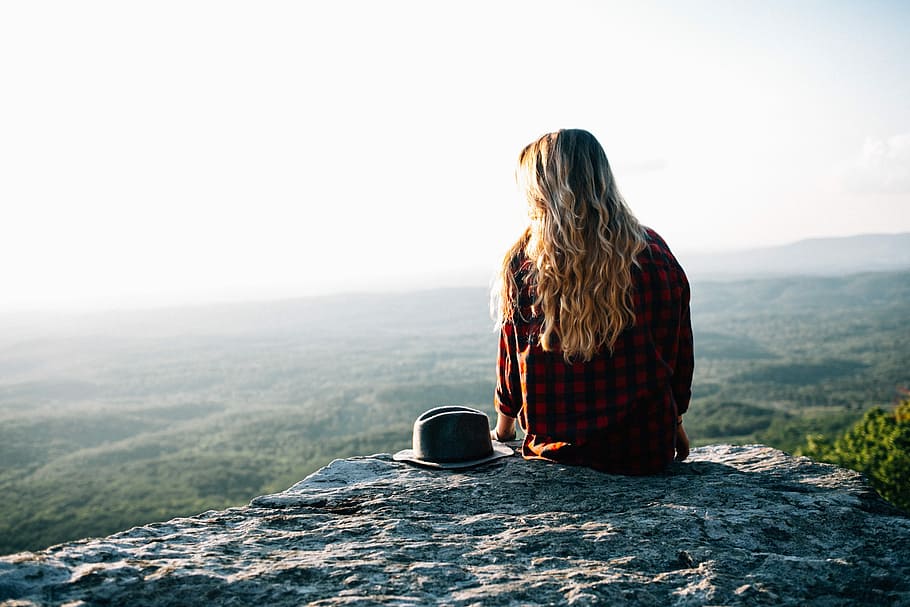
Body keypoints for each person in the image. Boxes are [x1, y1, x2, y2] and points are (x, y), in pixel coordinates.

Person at [492, 129, 693, 475]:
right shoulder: (653, 253)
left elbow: (513, 366)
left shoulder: (524, 262)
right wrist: (674, 426)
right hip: (644, 450)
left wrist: (503, 433)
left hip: (556, 455)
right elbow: (675, 353)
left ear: (540, 192)